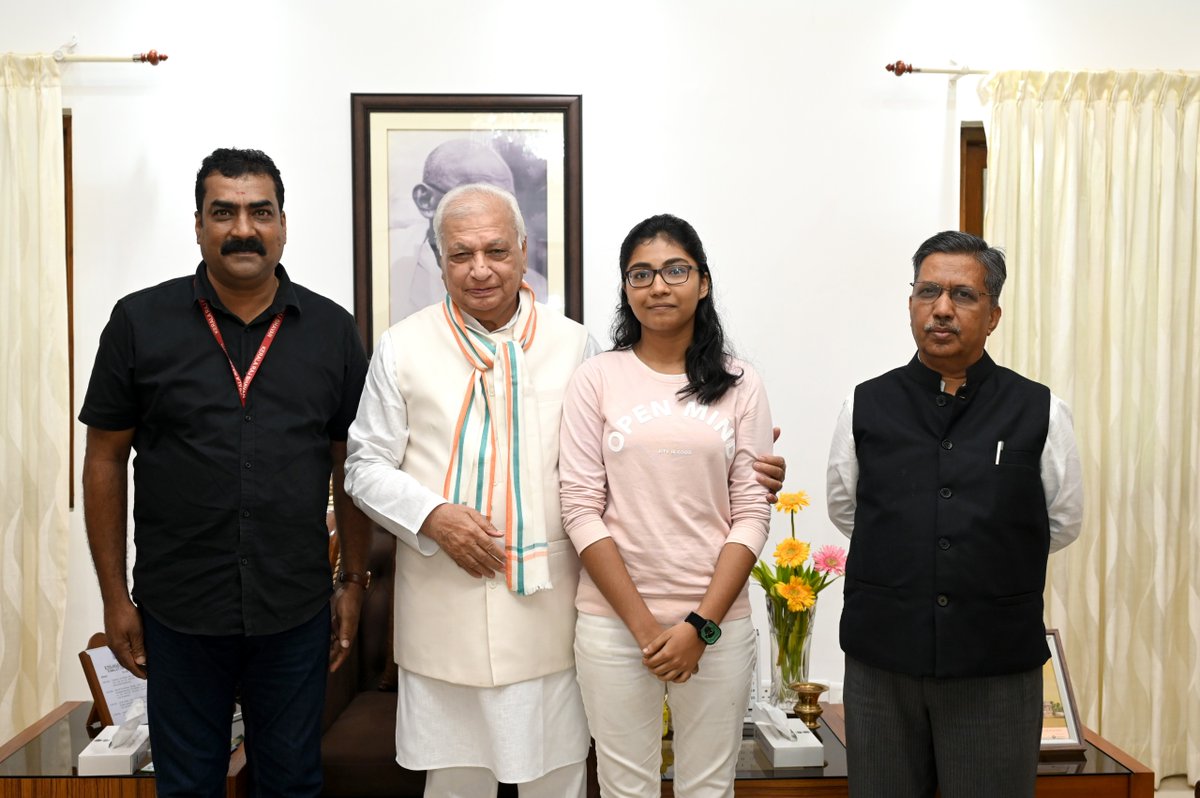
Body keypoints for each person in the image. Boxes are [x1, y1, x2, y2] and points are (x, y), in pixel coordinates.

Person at [344, 186, 785, 798]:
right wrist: (431, 515)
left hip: (548, 616)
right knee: (454, 783)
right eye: (460, 253)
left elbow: (632, 448)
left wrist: (745, 462)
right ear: (438, 259)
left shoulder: (574, 344)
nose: (479, 268)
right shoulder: (401, 346)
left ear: (523, 253)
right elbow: (363, 465)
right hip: (444, 610)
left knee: (560, 781)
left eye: (496, 250)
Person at [80, 148, 372, 798]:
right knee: (187, 787)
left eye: (259, 211)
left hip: (294, 609)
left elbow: (351, 461)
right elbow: (104, 458)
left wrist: (353, 579)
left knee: (291, 783)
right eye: (224, 212)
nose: (243, 228)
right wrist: (113, 597)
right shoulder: (139, 322)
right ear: (198, 225)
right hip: (178, 608)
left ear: (283, 224)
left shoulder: (331, 330)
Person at [825, 230, 1084, 798]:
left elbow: (1059, 522)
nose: (941, 309)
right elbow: (849, 510)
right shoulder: (864, 404)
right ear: (911, 303)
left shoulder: (1040, 409)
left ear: (992, 315)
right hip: (882, 666)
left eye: (962, 295)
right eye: (927, 292)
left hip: (995, 666)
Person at [559, 214, 773, 797]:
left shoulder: (741, 383)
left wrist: (698, 627)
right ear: (626, 289)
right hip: (614, 624)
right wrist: (645, 628)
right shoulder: (596, 378)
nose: (658, 286)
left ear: (703, 282)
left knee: (710, 787)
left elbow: (752, 513)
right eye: (641, 274)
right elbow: (580, 508)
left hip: (718, 625)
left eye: (675, 270)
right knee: (626, 787)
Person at [389, 139, 548, 322]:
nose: (481, 272)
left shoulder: (543, 295)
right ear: (425, 200)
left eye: (497, 252)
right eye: (461, 253)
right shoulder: (392, 268)